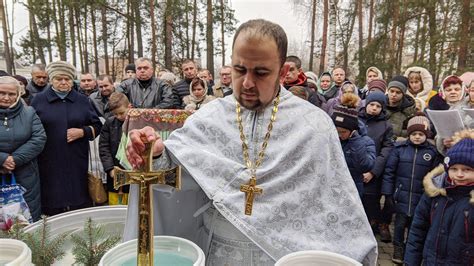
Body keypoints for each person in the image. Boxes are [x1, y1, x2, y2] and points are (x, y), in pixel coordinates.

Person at [124, 19, 377, 265]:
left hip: (280, 256)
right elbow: (175, 178)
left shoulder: (314, 126)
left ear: (283, 72)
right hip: (219, 252)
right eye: (239, 69)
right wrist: (156, 155)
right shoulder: (209, 118)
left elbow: (334, 208)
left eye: (261, 72)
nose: (246, 82)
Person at [31, 61, 102, 216]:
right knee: (53, 199)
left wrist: (83, 132)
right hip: (48, 159)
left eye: (67, 79)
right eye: (59, 79)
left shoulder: (82, 100)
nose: (63, 82)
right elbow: (31, 128)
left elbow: (97, 125)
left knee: (77, 198)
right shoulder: (38, 100)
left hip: (77, 158)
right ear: (51, 80)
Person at [404, 129, 473, 265]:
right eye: (454, 169)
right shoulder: (435, 191)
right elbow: (418, 230)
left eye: (467, 169)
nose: (459, 174)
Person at [381, 114, 440, 264]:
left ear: (426, 135)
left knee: (415, 227)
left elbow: (435, 175)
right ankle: (398, 248)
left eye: (421, 134)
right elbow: (389, 172)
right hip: (401, 196)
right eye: (414, 134)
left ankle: (409, 249)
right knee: (399, 226)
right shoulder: (399, 149)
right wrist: (388, 193)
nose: (417, 137)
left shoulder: (432, 152)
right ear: (409, 134)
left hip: (420, 198)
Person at [0, 76, 46, 221]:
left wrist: (14, 159)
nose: (6, 97)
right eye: (1, 93)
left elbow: (39, 138)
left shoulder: (29, 113)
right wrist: (2, 159)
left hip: (25, 175)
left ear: (18, 94)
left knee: (27, 219)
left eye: (11, 94)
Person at [358, 91, 395, 242]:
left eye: (378, 106)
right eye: (372, 104)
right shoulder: (356, 119)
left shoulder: (386, 126)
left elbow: (386, 151)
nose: (374, 108)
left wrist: (373, 172)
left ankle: (369, 231)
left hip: (372, 173)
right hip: (355, 169)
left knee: (370, 204)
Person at [332, 93, 376, 197]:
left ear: (352, 130)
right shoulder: (330, 139)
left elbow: (365, 166)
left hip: (351, 190)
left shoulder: (365, 141)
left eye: (343, 132)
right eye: (336, 131)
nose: (339, 135)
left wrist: (355, 140)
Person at [99, 92, 130, 205]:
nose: (118, 117)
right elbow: (104, 147)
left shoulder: (139, 121)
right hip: (115, 171)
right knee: (116, 203)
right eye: (115, 114)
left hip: (134, 172)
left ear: (129, 106)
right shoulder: (109, 123)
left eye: (121, 113)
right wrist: (110, 168)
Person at [434, 75, 473, 155]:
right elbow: (440, 134)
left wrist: (459, 139)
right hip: (455, 155)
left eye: (457, 89)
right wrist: (443, 141)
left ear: (463, 91)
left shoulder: (467, 108)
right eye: (448, 90)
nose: (453, 92)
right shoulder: (451, 109)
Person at [385, 75, 416, 141]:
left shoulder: (409, 110)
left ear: (403, 94)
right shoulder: (379, 105)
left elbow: (411, 130)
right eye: (392, 91)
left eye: (398, 92)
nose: (394, 95)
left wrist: (401, 137)